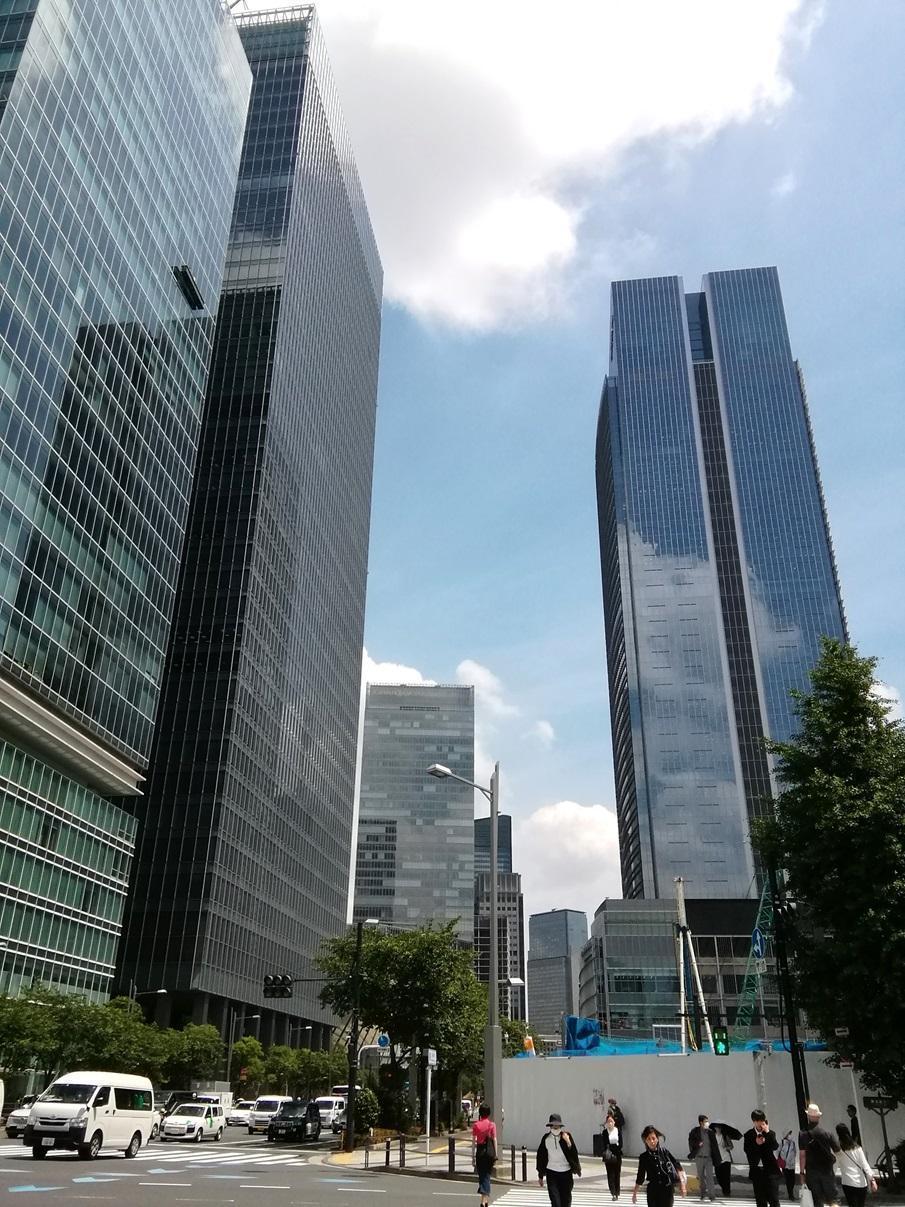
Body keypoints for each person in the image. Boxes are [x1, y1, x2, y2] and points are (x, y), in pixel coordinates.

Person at [633, 1124, 687, 1207]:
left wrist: (682, 1185)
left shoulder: (665, 1152)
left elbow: (677, 1166)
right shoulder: (644, 1157)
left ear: (657, 1139)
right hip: (653, 1191)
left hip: (667, 1190)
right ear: (645, 1141)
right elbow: (640, 1176)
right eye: (648, 1139)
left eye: (653, 1138)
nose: (652, 1141)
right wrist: (635, 1193)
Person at [798, 1103, 840, 1207]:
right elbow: (837, 1150)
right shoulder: (827, 1133)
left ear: (808, 1116)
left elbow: (802, 1155)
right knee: (833, 1199)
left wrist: (802, 1172)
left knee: (816, 1200)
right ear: (819, 1117)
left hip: (811, 1172)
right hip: (827, 1170)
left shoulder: (802, 1134)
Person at [537, 1113, 582, 1207]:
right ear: (550, 1126)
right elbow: (541, 1157)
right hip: (551, 1173)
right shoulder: (546, 1139)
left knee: (566, 1201)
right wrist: (541, 1175)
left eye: (558, 1126)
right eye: (553, 1126)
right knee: (555, 1202)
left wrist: (568, 1142)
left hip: (566, 1173)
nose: (556, 1128)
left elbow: (574, 1154)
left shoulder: (566, 1136)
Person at [744, 1110, 782, 1207]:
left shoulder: (770, 1133)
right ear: (754, 1121)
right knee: (760, 1201)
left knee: (774, 1199)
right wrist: (756, 1144)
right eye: (758, 1121)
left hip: (771, 1171)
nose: (761, 1123)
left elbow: (775, 1146)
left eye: (763, 1120)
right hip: (757, 1172)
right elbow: (747, 1150)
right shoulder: (748, 1135)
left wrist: (768, 1133)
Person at [834, 1123, 876, 1207]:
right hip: (861, 1183)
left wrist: (830, 1178)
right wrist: (872, 1180)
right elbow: (865, 1165)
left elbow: (834, 1166)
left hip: (847, 1182)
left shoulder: (839, 1151)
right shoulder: (858, 1148)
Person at [688, 1114, 720, 1201]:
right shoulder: (695, 1131)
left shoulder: (710, 1132)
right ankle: (703, 1194)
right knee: (701, 1177)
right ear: (701, 1122)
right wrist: (698, 1144)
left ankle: (712, 1196)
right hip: (699, 1157)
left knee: (710, 1177)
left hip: (708, 1158)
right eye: (705, 1121)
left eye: (707, 1121)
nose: (707, 1123)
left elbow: (715, 1145)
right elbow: (691, 1142)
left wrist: (717, 1157)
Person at [472, 1102, 497, 1207]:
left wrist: (472, 1156)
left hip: (480, 1152)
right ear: (489, 1113)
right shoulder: (492, 1125)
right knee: (486, 1176)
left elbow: (474, 1141)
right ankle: (484, 1201)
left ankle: (484, 1201)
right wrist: (495, 1154)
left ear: (480, 1113)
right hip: (489, 1152)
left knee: (482, 1176)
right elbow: (494, 1139)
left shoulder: (476, 1125)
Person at [601, 1109, 624, 1200]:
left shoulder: (618, 1131)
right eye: (608, 1121)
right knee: (610, 1174)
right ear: (606, 1123)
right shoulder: (604, 1132)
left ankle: (617, 1192)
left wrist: (613, 1146)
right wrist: (613, 1145)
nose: (610, 1123)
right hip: (609, 1155)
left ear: (614, 1122)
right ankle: (613, 1193)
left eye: (611, 1121)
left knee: (617, 1174)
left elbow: (621, 1144)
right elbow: (604, 1144)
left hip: (617, 1155)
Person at [712, 1125, 735, 1197]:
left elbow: (731, 1146)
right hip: (717, 1159)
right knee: (718, 1175)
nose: (718, 1129)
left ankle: (727, 1192)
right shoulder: (712, 1137)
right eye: (717, 1127)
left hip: (726, 1158)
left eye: (719, 1128)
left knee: (726, 1177)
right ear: (715, 1128)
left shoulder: (725, 1136)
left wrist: (726, 1147)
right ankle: (724, 1188)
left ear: (721, 1129)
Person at [779, 1129, 798, 1200]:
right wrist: (781, 1161)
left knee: (792, 1180)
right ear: (785, 1135)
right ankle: (791, 1194)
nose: (790, 1135)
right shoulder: (782, 1143)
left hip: (792, 1165)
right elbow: (777, 1152)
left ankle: (791, 1193)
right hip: (785, 1165)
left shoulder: (793, 1143)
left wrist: (792, 1160)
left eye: (790, 1134)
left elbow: (795, 1152)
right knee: (788, 1180)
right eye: (789, 1134)